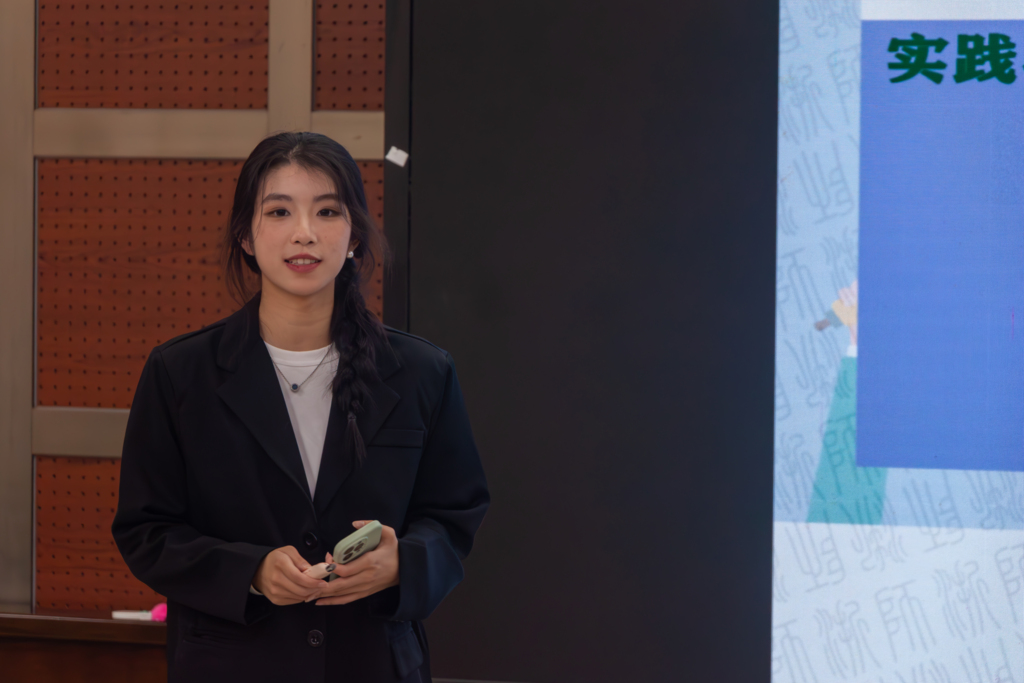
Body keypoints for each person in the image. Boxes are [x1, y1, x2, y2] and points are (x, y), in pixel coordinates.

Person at [111, 132, 490, 682]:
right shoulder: (180, 372)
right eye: (280, 211)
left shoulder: (421, 372)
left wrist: (402, 563)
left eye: (328, 211)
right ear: (245, 234)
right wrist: (251, 571)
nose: (305, 233)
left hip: (373, 664)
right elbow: (146, 531)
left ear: (354, 233)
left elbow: (455, 517)